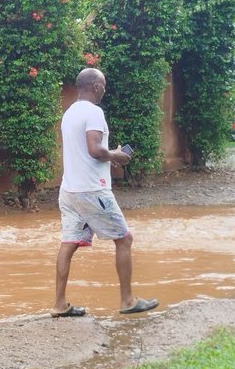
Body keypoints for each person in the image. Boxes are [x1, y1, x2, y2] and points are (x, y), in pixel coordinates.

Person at [51, 67, 159, 317]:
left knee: (68, 244)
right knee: (124, 239)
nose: (105, 90)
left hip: (69, 190)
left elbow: (87, 151)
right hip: (92, 191)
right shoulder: (94, 112)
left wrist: (107, 157)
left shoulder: (70, 113)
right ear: (96, 87)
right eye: (104, 85)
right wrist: (117, 155)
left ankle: (59, 304)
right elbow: (94, 149)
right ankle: (128, 301)